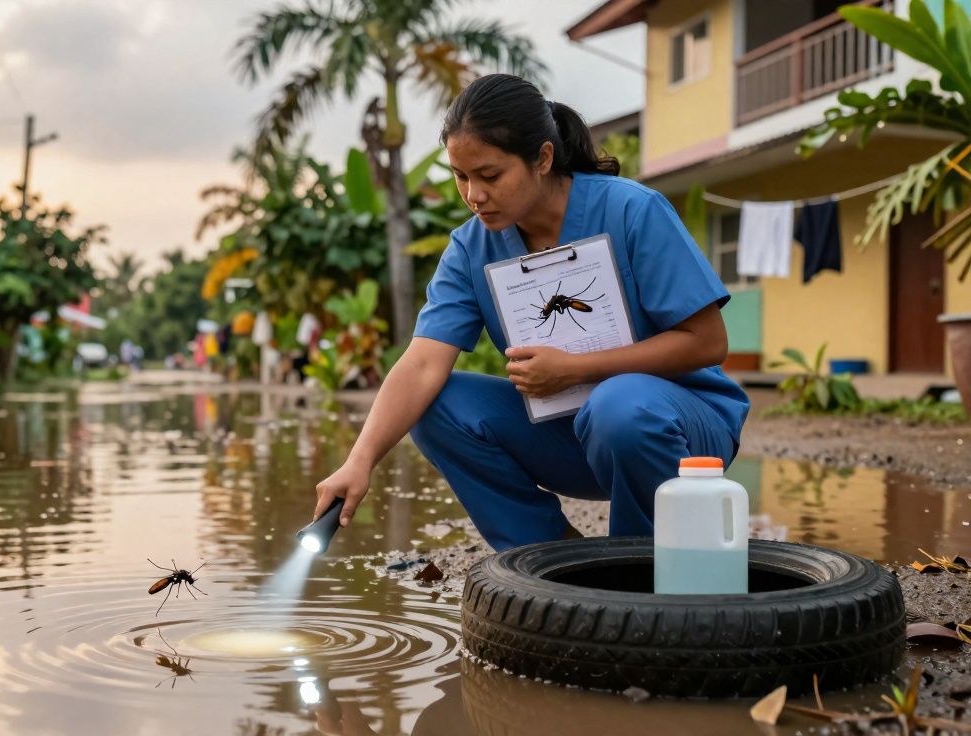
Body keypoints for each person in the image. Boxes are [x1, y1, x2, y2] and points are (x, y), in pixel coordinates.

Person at [312, 74, 749, 552]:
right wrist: (360, 460)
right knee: (435, 404)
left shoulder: (632, 210)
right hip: (571, 439)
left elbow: (708, 342)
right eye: (461, 176)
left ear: (542, 158)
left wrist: (576, 369)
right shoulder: (471, 247)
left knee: (619, 405)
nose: (473, 195)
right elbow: (420, 364)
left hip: (679, 437)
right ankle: (547, 555)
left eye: (490, 175)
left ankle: (638, 561)